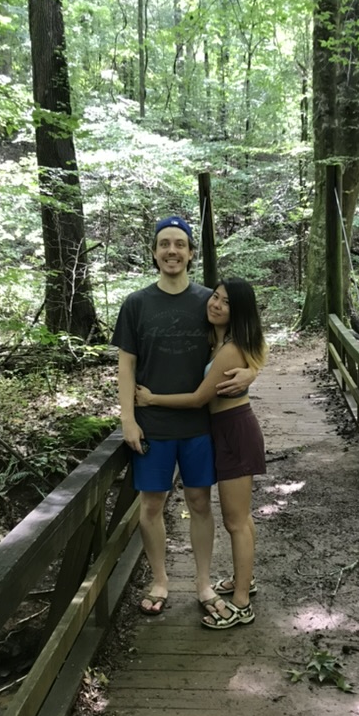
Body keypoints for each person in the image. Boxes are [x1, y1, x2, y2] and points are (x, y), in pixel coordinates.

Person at [112, 216, 256, 618]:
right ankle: (160, 580)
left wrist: (254, 370)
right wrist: (127, 417)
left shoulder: (211, 300)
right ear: (155, 253)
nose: (172, 251)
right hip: (152, 426)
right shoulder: (136, 304)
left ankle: (204, 583)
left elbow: (248, 335)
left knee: (200, 502)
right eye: (164, 244)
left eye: (180, 244)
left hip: (200, 426)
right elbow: (126, 366)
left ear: (191, 253)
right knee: (152, 505)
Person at [135, 276, 267, 630]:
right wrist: (255, 369)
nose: (216, 304)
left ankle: (241, 603)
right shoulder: (219, 339)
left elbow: (197, 398)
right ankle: (245, 580)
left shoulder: (229, 348)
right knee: (241, 517)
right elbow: (256, 351)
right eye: (215, 297)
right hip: (223, 429)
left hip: (234, 430)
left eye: (225, 302)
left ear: (237, 311)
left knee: (236, 520)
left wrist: (150, 399)